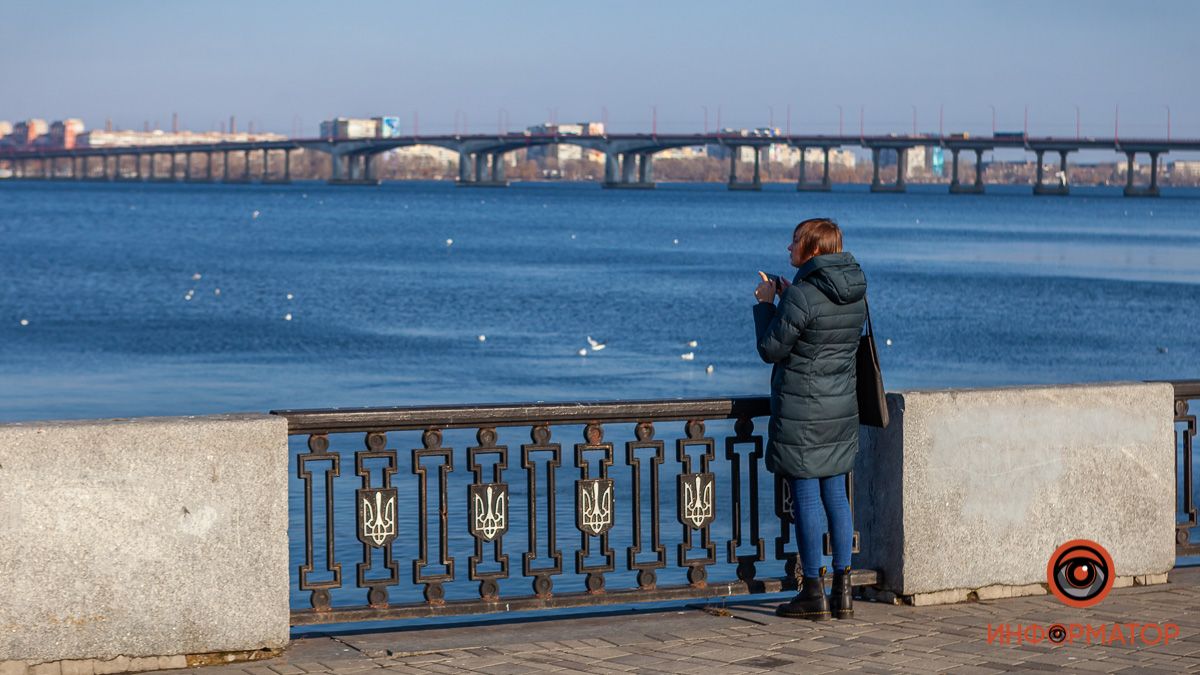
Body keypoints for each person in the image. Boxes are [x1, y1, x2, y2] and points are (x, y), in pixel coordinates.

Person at [752, 218, 867, 621]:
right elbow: (824, 329)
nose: (789, 248)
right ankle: (844, 590)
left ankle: (813, 592)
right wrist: (790, 295)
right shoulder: (855, 292)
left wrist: (768, 303)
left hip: (803, 410)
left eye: (796, 241)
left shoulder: (802, 295)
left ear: (813, 250)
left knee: (805, 498)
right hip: (840, 409)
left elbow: (771, 348)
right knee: (836, 494)